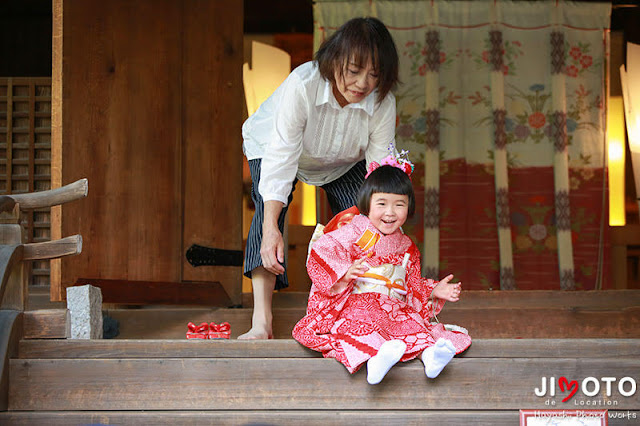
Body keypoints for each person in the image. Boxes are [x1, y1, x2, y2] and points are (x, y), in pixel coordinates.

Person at [239, 17, 400, 339]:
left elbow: (379, 169)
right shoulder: (304, 83)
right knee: (267, 220)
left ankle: (366, 315)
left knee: (370, 221)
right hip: (275, 148)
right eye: (354, 71)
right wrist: (272, 227)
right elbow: (282, 155)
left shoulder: (383, 100)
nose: (362, 84)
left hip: (341, 160)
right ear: (334, 61)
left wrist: (386, 220)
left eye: (374, 75)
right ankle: (262, 323)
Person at [292, 156, 472, 384]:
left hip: (394, 306)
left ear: (409, 206)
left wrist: (435, 289)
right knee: (360, 327)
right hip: (359, 302)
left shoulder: (406, 245)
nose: (390, 212)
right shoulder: (356, 230)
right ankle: (376, 360)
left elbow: (411, 283)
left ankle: (431, 357)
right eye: (382, 204)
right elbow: (322, 249)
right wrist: (345, 272)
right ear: (368, 203)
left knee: (417, 327)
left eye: (399, 204)